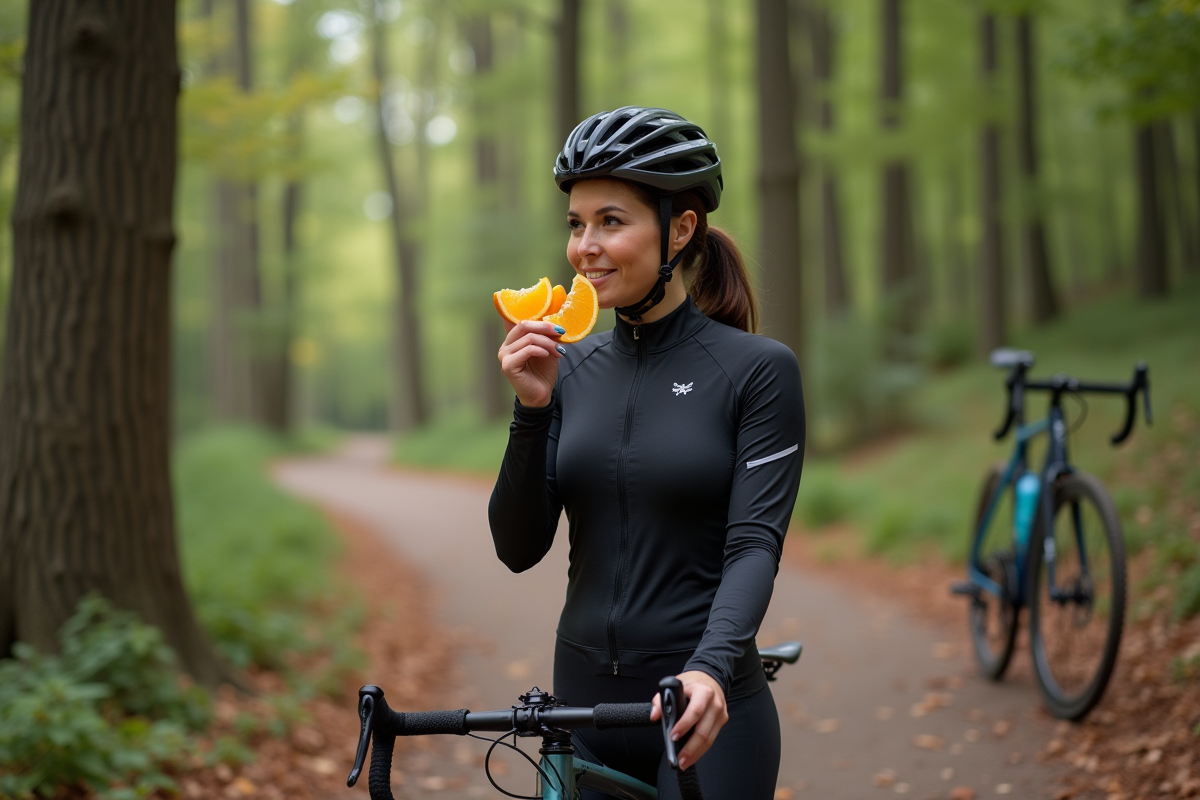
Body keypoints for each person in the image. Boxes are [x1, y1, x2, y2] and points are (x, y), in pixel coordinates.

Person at [488, 106, 804, 799]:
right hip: (580, 710)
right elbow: (517, 546)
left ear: (680, 229)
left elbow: (754, 543)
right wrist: (531, 410)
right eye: (576, 224)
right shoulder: (568, 368)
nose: (584, 246)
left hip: (703, 705)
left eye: (611, 221)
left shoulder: (756, 370)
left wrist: (711, 668)